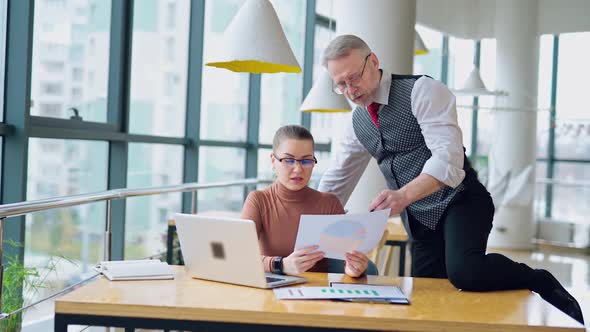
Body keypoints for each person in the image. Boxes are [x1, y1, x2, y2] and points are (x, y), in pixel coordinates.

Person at [317, 34, 584, 324]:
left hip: (462, 201)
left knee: (466, 272)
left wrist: (402, 196)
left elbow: (449, 161)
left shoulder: (423, 91)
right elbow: (337, 180)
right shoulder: (357, 123)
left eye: (353, 78)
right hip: (420, 219)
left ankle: (539, 279)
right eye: (340, 84)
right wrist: (308, 223)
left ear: (374, 62)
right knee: (426, 298)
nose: (349, 90)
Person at [241, 125, 377, 277]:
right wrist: (282, 264)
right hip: (270, 293)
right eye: (288, 160)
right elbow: (239, 257)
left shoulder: (329, 204)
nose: (298, 169)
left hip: (317, 294)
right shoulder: (258, 200)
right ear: (273, 161)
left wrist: (355, 269)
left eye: (306, 161)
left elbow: (346, 261)